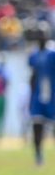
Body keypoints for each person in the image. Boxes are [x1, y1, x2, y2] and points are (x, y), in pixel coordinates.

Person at [28, 36, 55, 165]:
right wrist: (31, 98)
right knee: (37, 126)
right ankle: (38, 156)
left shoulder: (52, 54)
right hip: (39, 97)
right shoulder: (35, 55)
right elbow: (33, 76)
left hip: (52, 97)